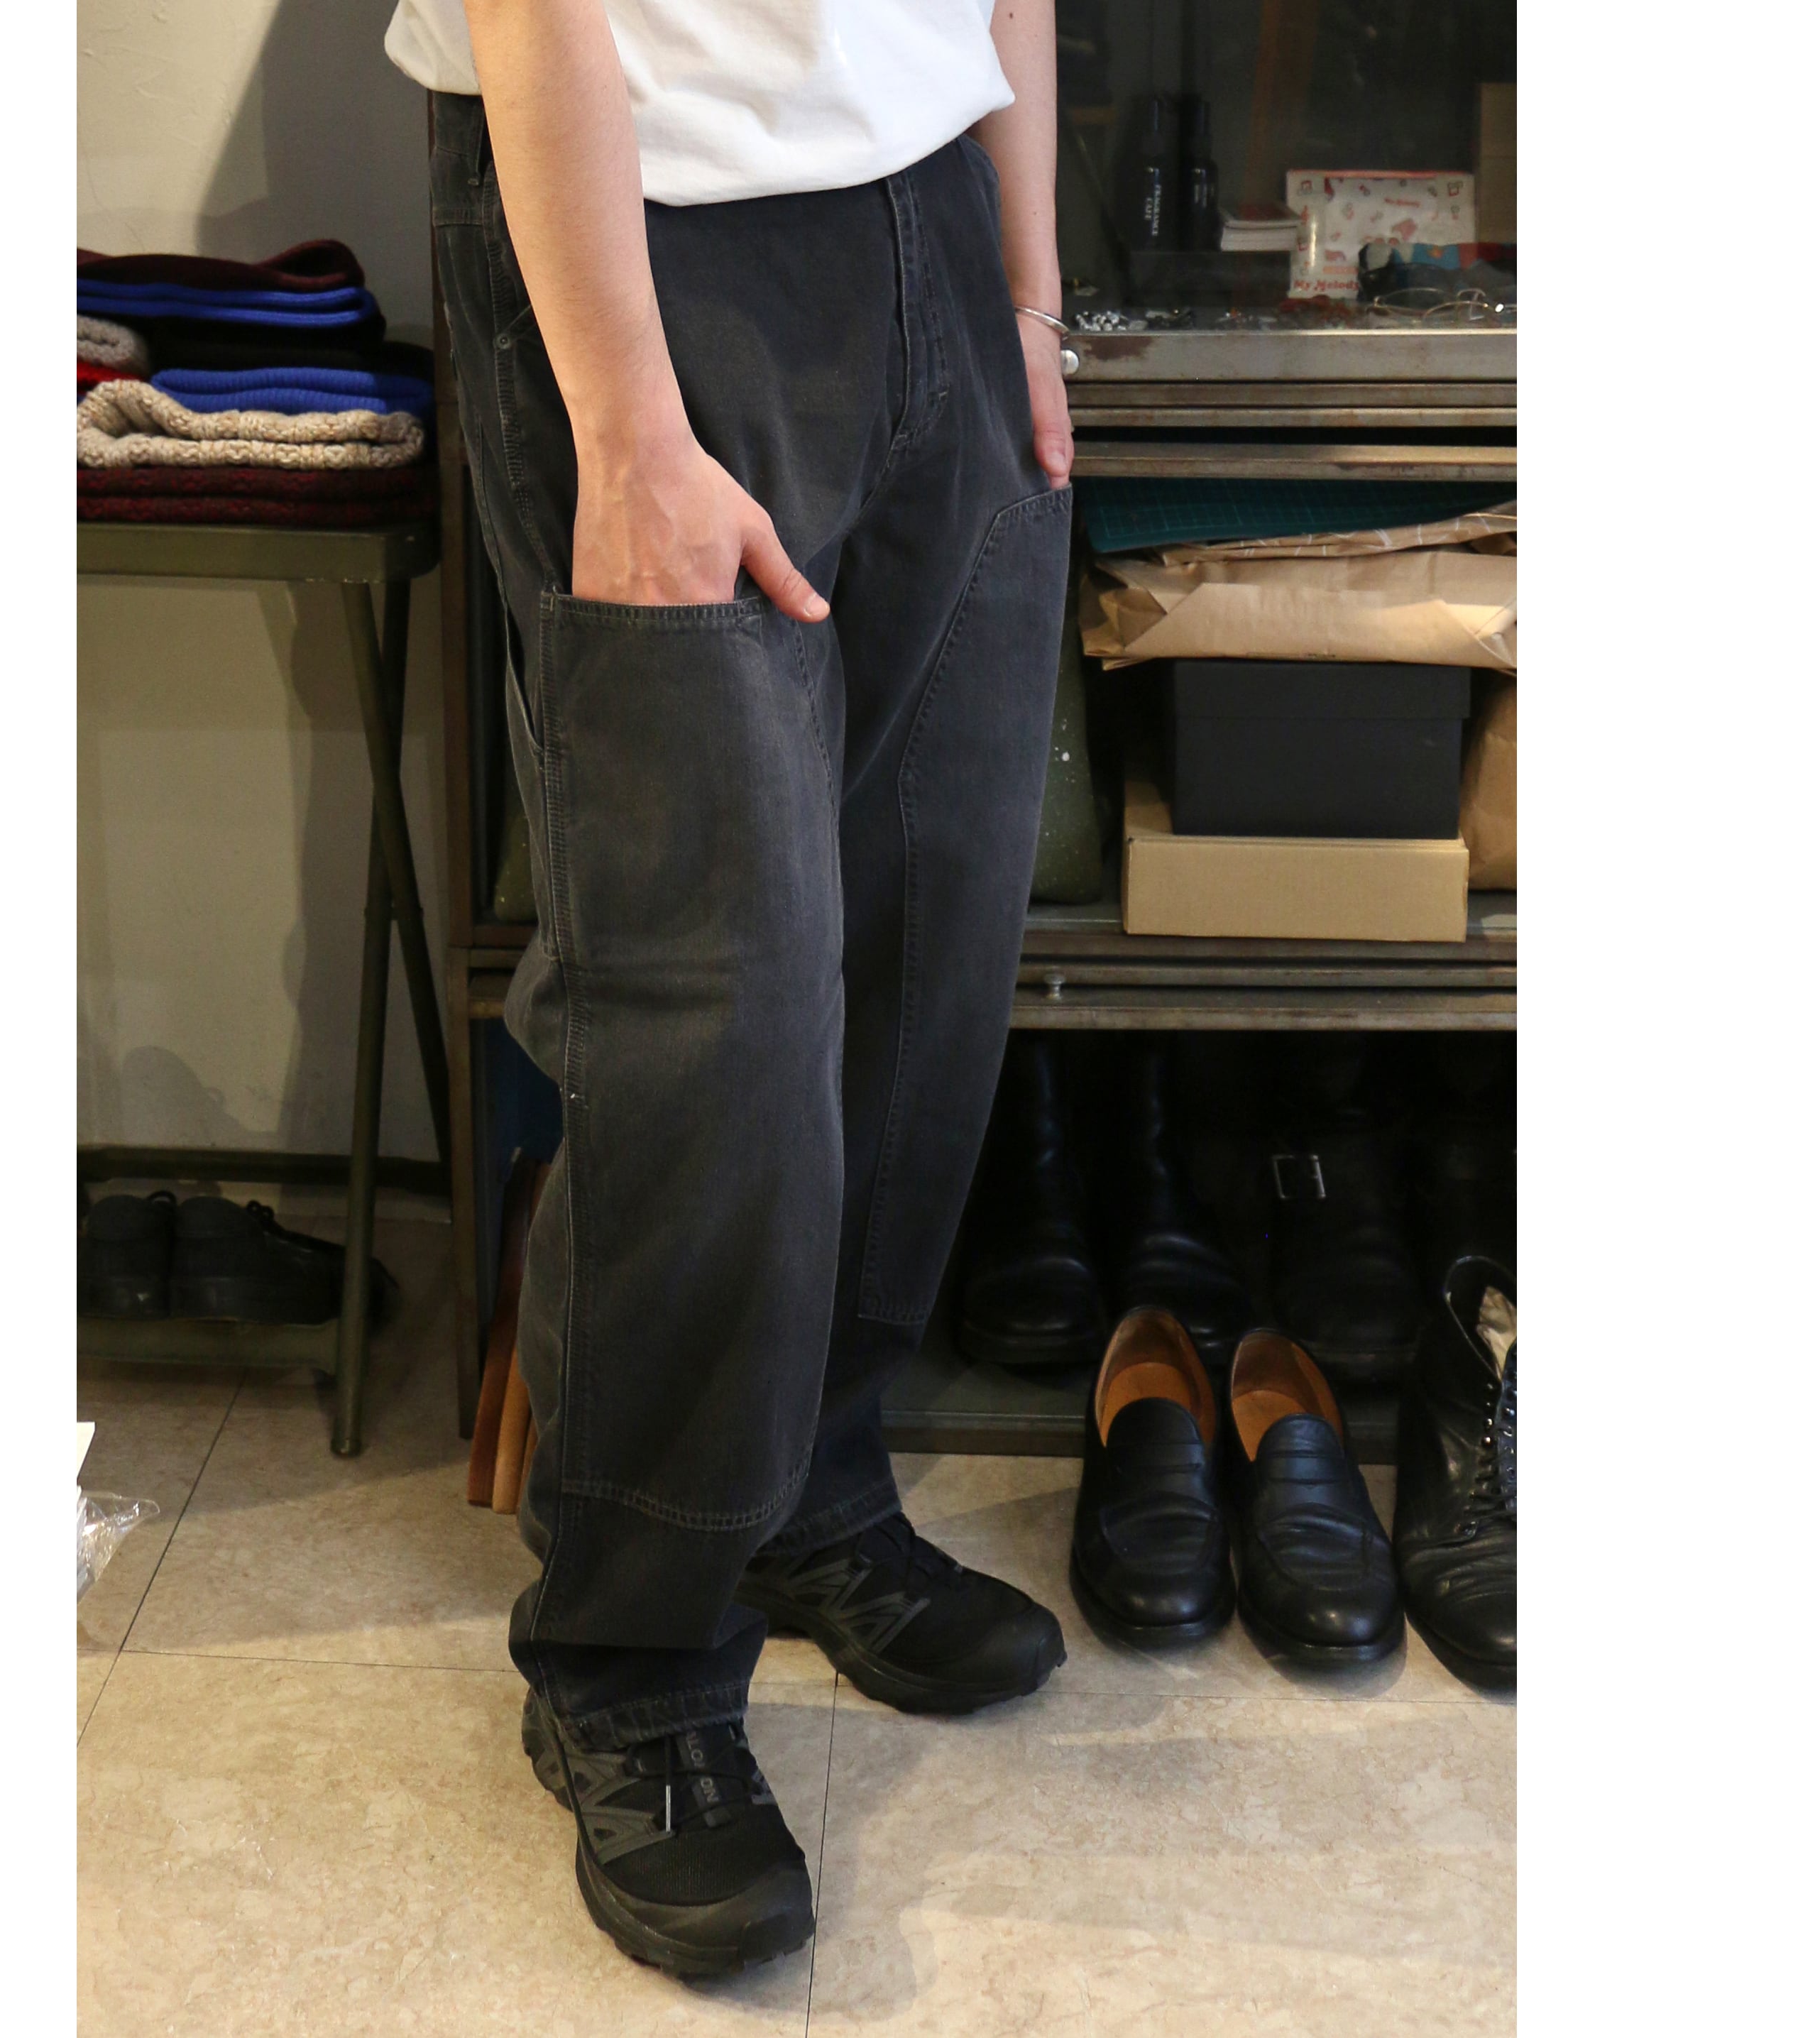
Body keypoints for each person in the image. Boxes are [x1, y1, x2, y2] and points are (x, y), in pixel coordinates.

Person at [387, 0, 1076, 1976]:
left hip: (938, 210)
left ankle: (808, 1492)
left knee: (927, 956)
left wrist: (1030, 290)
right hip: (645, 231)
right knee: (716, 1004)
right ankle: (631, 1661)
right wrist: (623, 422)